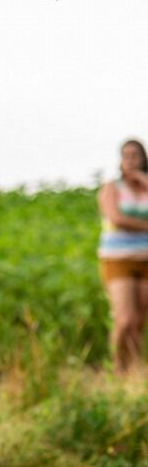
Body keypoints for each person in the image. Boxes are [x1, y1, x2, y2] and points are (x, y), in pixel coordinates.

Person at [98, 138, 148, 373]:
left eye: (135, 155)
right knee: (124, 319)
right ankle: (116, 368)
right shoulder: (112, 187)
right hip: (118, 257)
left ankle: (134, 371)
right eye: (125, 156)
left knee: (139, 321)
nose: (130, 161)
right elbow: (116, 219)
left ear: (143, 158)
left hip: (145, 258)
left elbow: (125, 221)